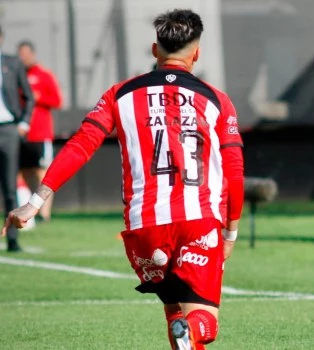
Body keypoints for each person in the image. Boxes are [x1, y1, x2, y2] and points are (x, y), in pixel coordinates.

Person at [2, 9, 244, 350]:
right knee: (203, 323)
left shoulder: (119, 94)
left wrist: (34, 202)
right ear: (197, 53)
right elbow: (234, 169)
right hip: (198, 220)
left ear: (154, 50)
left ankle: (182, 330)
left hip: (144, 229)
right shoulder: (218, 100)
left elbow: (80, 146)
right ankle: (189, 329)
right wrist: (231, 231)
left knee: (174, 308)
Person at [17, 40, 63, 223]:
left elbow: (57, 101)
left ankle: (45, 214)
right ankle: (32, 210)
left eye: (25, 54)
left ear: (32, 54)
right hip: (22, 133)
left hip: (40, 133)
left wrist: (39, 97)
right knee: (26, 171)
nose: (23, 58)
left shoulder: (44, 75)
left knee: (42, 174)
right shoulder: (17, 75)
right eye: (20, 54)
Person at [0, 25, 35, 252]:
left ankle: (13, 239)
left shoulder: (12, 63)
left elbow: (29, 97)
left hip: (8, 129)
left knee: (10, 186)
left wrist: (23, 123)